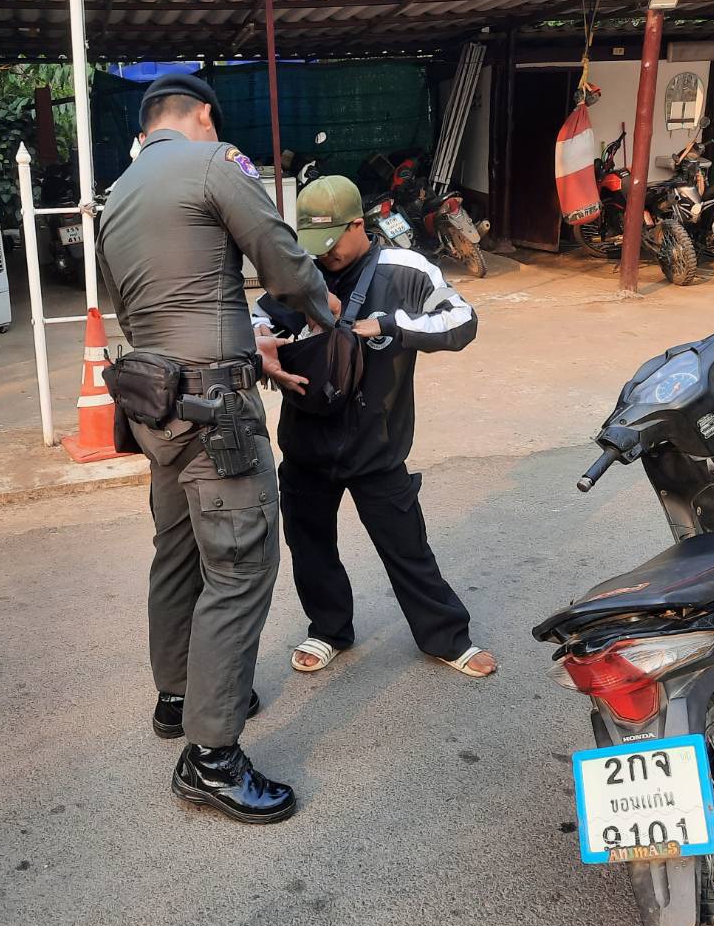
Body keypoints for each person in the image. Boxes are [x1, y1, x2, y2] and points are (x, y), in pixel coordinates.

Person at [96, 73, 337, 825]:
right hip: (214, 413)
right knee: (239, 567)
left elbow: (129, 304)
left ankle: (178, 697)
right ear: (203, 115)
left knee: (176, 552)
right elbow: (280, 258)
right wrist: (326, 311)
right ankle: (210, 758)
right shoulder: (215, 162)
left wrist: (229, 342)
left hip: (156, 405)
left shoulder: (117, 195)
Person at [253, 175, 497, 680]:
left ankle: (447, 637)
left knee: (407, 547)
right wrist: (263, 339)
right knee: (310, 546)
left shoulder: (405, 269)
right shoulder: (301, 270)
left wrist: (390, 325)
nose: (324, 254)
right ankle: (328, 630)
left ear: (357, 225)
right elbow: (258, 320)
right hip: (306, 440)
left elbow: (462, 321)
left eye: (331, 241)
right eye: (313, 243)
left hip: (378, 443)